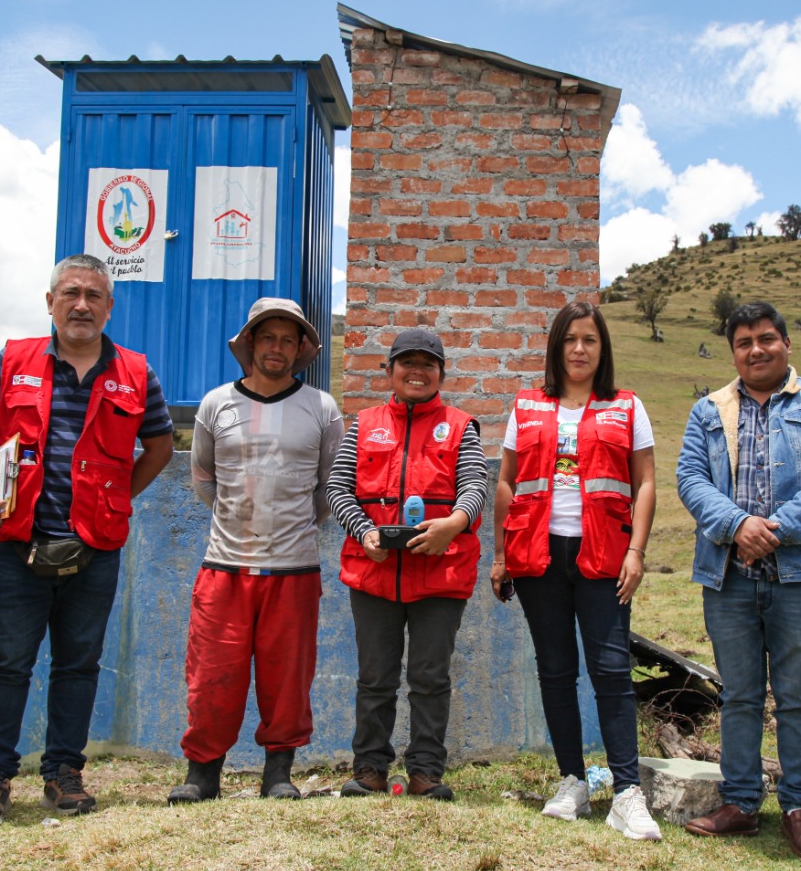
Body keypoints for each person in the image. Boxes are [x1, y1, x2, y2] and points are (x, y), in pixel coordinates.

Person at [0, 254, 173, 830]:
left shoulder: (136, 372)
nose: (82, 305)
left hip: (94, 547)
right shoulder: (13, 361)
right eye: (71, 293)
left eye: (94, 296)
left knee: (79, 664)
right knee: (6, 664)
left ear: (109, 306)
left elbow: (158, 446)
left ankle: (64, 774)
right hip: (17, 542)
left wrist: (115, 498)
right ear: (50, 301)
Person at [674, 302, 801, 861]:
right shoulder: (709, 409)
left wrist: (776, 529)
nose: (757, 349)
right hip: (728, 576)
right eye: (745, 341)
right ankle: (742, 802)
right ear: (734, 351)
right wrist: (737, 525)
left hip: (800, 575)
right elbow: (689, 477)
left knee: (797, 695)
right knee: (740, 694)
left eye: (767, 339)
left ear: (786, 344)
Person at [491, 301, 662, 841]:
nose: (580, 349)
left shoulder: (627, 407)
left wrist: (636, 552)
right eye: (570, 340)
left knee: (611, 671)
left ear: (602, 347)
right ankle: (572, 782)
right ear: (556, 347)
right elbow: (506, 483)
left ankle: (627, 793)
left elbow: (646, 483)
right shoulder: (527, 406)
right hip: (538, 557)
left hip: (604, 557)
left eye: (589, 339)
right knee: (556, 669)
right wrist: (499, 555)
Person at [167, 299, 343, 804]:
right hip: (224, 566)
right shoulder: (216, 403)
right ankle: (202, 774)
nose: (278, 348)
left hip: (295, 567)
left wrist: (292, 525)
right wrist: (238, 517)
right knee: (212, 674)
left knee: (287, 675)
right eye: (268, 337)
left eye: (289, 340)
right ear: (250, 344)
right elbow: (204, 478)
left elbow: (327, 486)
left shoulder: (321, 408)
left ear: (301, 349)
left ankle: (279, 773)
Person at [326, 329, 487, 801]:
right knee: (375, 677)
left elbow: (475, 489)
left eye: (428, 363)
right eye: (407, 362)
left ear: (441, 372)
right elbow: (339, 489)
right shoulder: (364, 423)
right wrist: (364, 532)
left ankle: (425, 773)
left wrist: (452, 526)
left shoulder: (460, 426)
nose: (417, 371)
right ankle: (370, 769)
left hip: (440, 574)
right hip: (373, 572)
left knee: (430, 678)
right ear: (390, 370)